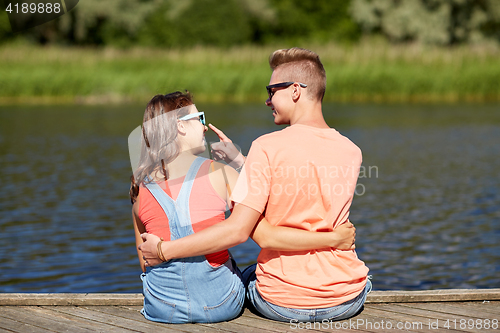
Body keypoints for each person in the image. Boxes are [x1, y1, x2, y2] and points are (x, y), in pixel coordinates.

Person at [139, 47, 369, 322]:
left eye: (272, 91)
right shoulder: (352, 151)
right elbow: (298, 178)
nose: (267, 100)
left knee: (246, 274)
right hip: (346, 299)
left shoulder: (266, 146)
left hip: (283, 302)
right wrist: (241, 162)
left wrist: (163, 250)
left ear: (295, 91)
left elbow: (257, 234)